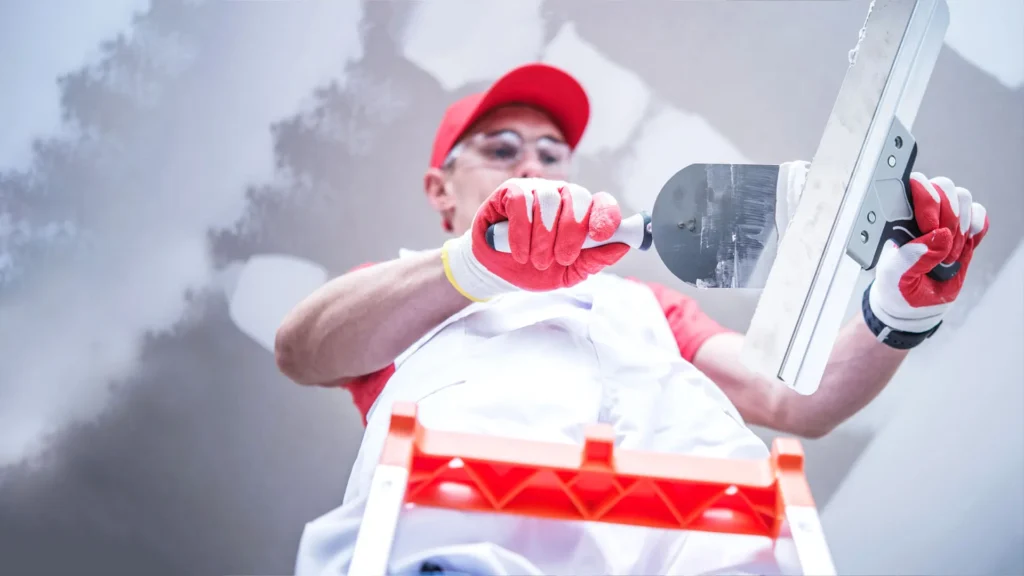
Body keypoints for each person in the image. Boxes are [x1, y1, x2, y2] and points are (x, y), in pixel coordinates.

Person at [275, 63, 990, 575]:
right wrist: (477, 268)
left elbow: (791, 399)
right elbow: (301, 350)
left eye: (552, 154)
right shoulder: (404, 292)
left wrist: (896, 311)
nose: (535, 167)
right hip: (457, 547)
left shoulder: (645, 305)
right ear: (441, 188)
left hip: (699, 546)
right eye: (503, 150)